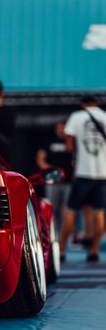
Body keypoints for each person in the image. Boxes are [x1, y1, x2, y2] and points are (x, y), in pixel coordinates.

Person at [60, 95, 106, 262]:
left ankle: (62, 250)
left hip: (83, 172)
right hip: (102, 174)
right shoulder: (104, 117)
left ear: (82, 104)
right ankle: (94, 251)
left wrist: (75, 156)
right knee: (99, 212)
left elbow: (68, 143)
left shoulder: (77, 117)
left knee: (70, 211)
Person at [36, 120, 73, 232]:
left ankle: (65, 234)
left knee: (67, 210)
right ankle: (53, 232)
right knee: (52, 208)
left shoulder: (71, 142)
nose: (61, 131)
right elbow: (40, 158)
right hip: (52, 181)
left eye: (64, 128)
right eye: (59, 128)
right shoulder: (49, 141)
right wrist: (48, 170)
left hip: (68, 181)